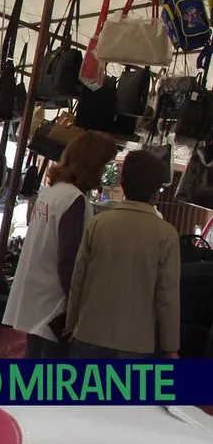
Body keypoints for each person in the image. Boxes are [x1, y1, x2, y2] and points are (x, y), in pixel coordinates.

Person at [2, 131, 118, 358]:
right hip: (54, 307)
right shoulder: (74, 200)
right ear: (92, 164)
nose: (104, 171)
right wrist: (77, 310)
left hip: (34, 300)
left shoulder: (51, 193)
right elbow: (70, 261)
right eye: (104, 165)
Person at [66, 150, 180, 359]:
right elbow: (168, 295)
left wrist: (71, 324)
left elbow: (78, 279)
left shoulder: (99, 224)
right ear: (156, 192)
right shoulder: (166, 234)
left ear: (122, 182)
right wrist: (171, 345)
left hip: (89, 334)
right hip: (135, 344)